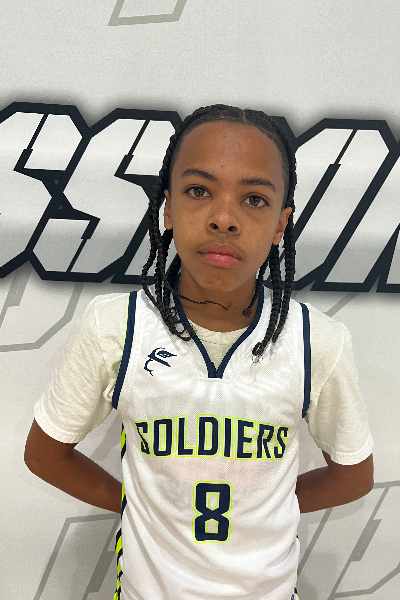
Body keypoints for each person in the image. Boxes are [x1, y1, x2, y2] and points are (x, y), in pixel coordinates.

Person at [24, 104, 374, 600]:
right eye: (198, 191)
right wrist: (141, 502)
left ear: (281, 224)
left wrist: (262, 504)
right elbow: (45, 454)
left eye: (254, 199)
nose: (224, 219)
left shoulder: (317, 340)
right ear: (167, 207)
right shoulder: (115, 326)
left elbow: (354, 476)